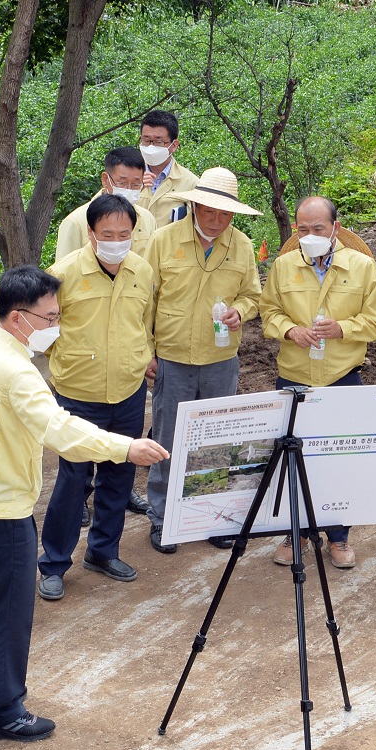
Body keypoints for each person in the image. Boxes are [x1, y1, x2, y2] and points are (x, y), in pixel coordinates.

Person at [0, 266, 169, 741]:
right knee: (6, 611)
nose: (55, 326)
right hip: (2, 508)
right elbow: (59, 429)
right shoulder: (15, 370)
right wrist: (125, 448)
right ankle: (1, 711)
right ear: (20, 318)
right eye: (51, 317)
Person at [38, 195, 157, 600]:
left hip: (127, 390)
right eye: (108, 234)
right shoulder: (64, 273)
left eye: (125, 234)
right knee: (72, 480)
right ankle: (54, 563)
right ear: (90, 233)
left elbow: (144, 323)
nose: (117, 241)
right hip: (79, 393)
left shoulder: (142, 271)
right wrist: (70, 363)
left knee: (119, 476)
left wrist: (141, 359)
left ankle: (103, 552)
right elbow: (46, 331)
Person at [258, 196, 376, 570]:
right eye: (303, 230)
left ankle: (339, 535)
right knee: (291, 458)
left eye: (318, 229)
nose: (310, 236)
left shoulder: (361, 267)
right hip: (294, 377)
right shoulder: (283, 267)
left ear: (335, 227)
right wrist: (290, 330)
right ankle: (294, 532)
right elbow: (269, 312)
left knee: (340, 458)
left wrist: (343, 328)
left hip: (342, 377)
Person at [144, 167, 263, 554]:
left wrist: (239, 312)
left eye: (225, 214)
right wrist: (148, 352)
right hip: (172, 360)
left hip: (220, 360)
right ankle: (162, 518)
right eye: (209, 211)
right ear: (194, 205)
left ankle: (211, 514)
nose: (216, 220)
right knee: (167, 439)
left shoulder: (241, 245)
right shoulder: (163, 241)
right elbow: (145, 301)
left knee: (216, 441)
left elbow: (253, 296)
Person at [53, 147, 157, 260]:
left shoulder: (147, 219)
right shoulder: (76, 222)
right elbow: (63, 270)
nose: (129, 189)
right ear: (105, 179)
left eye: (136, 185)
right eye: (122, 183)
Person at [137, 110, 198, 226]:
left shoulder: (191, 184)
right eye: (146, 140)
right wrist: (133, 188)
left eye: (158, 141)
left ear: (174, 145)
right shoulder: (125, 177)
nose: (150, 146)